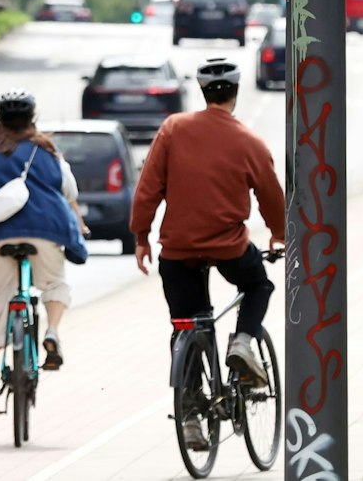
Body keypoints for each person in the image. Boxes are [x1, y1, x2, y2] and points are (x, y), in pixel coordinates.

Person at [130, 57, 287, 452]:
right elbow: (271, 195)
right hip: (229, 246)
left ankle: (190, 413)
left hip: (178, 249)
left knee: (188, 323)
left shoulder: (173, 129)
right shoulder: (250, 143)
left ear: (202, 92)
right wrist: (278, 234)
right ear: (235, 93)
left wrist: (141, 236)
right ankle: (243, 342)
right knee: (258, 284)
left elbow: (148, 187)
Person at [0, 89, 86, 411]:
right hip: (46, 230)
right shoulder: (47, 150)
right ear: (32, 118)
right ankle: (53, 332)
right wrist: (79, 225)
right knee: (54, 284)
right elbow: (69, 191)